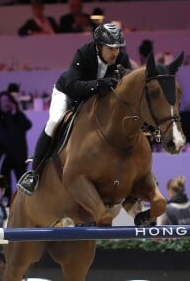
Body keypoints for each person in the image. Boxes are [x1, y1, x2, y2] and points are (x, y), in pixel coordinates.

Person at [18, 23, 132, 195]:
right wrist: (99, 84)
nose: (115, 53)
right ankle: (34, 173)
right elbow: (73, 85)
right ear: (99, 46)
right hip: (68, 93)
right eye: (110, 48)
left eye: (117, 48)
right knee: (55, 122)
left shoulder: (121, 59)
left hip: (95, 100)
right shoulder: (84, 53)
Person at [0, 91, 32, 202]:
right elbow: (4, 134)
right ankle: (5, 201)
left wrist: (15, 114)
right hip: (4, 154)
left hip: (19, 153)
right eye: (3, 101)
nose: (6, 103)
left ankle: (24, 202)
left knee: (21, 178)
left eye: (8, 100)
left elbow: (28, 125)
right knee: (3, 178)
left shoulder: (17, 114)